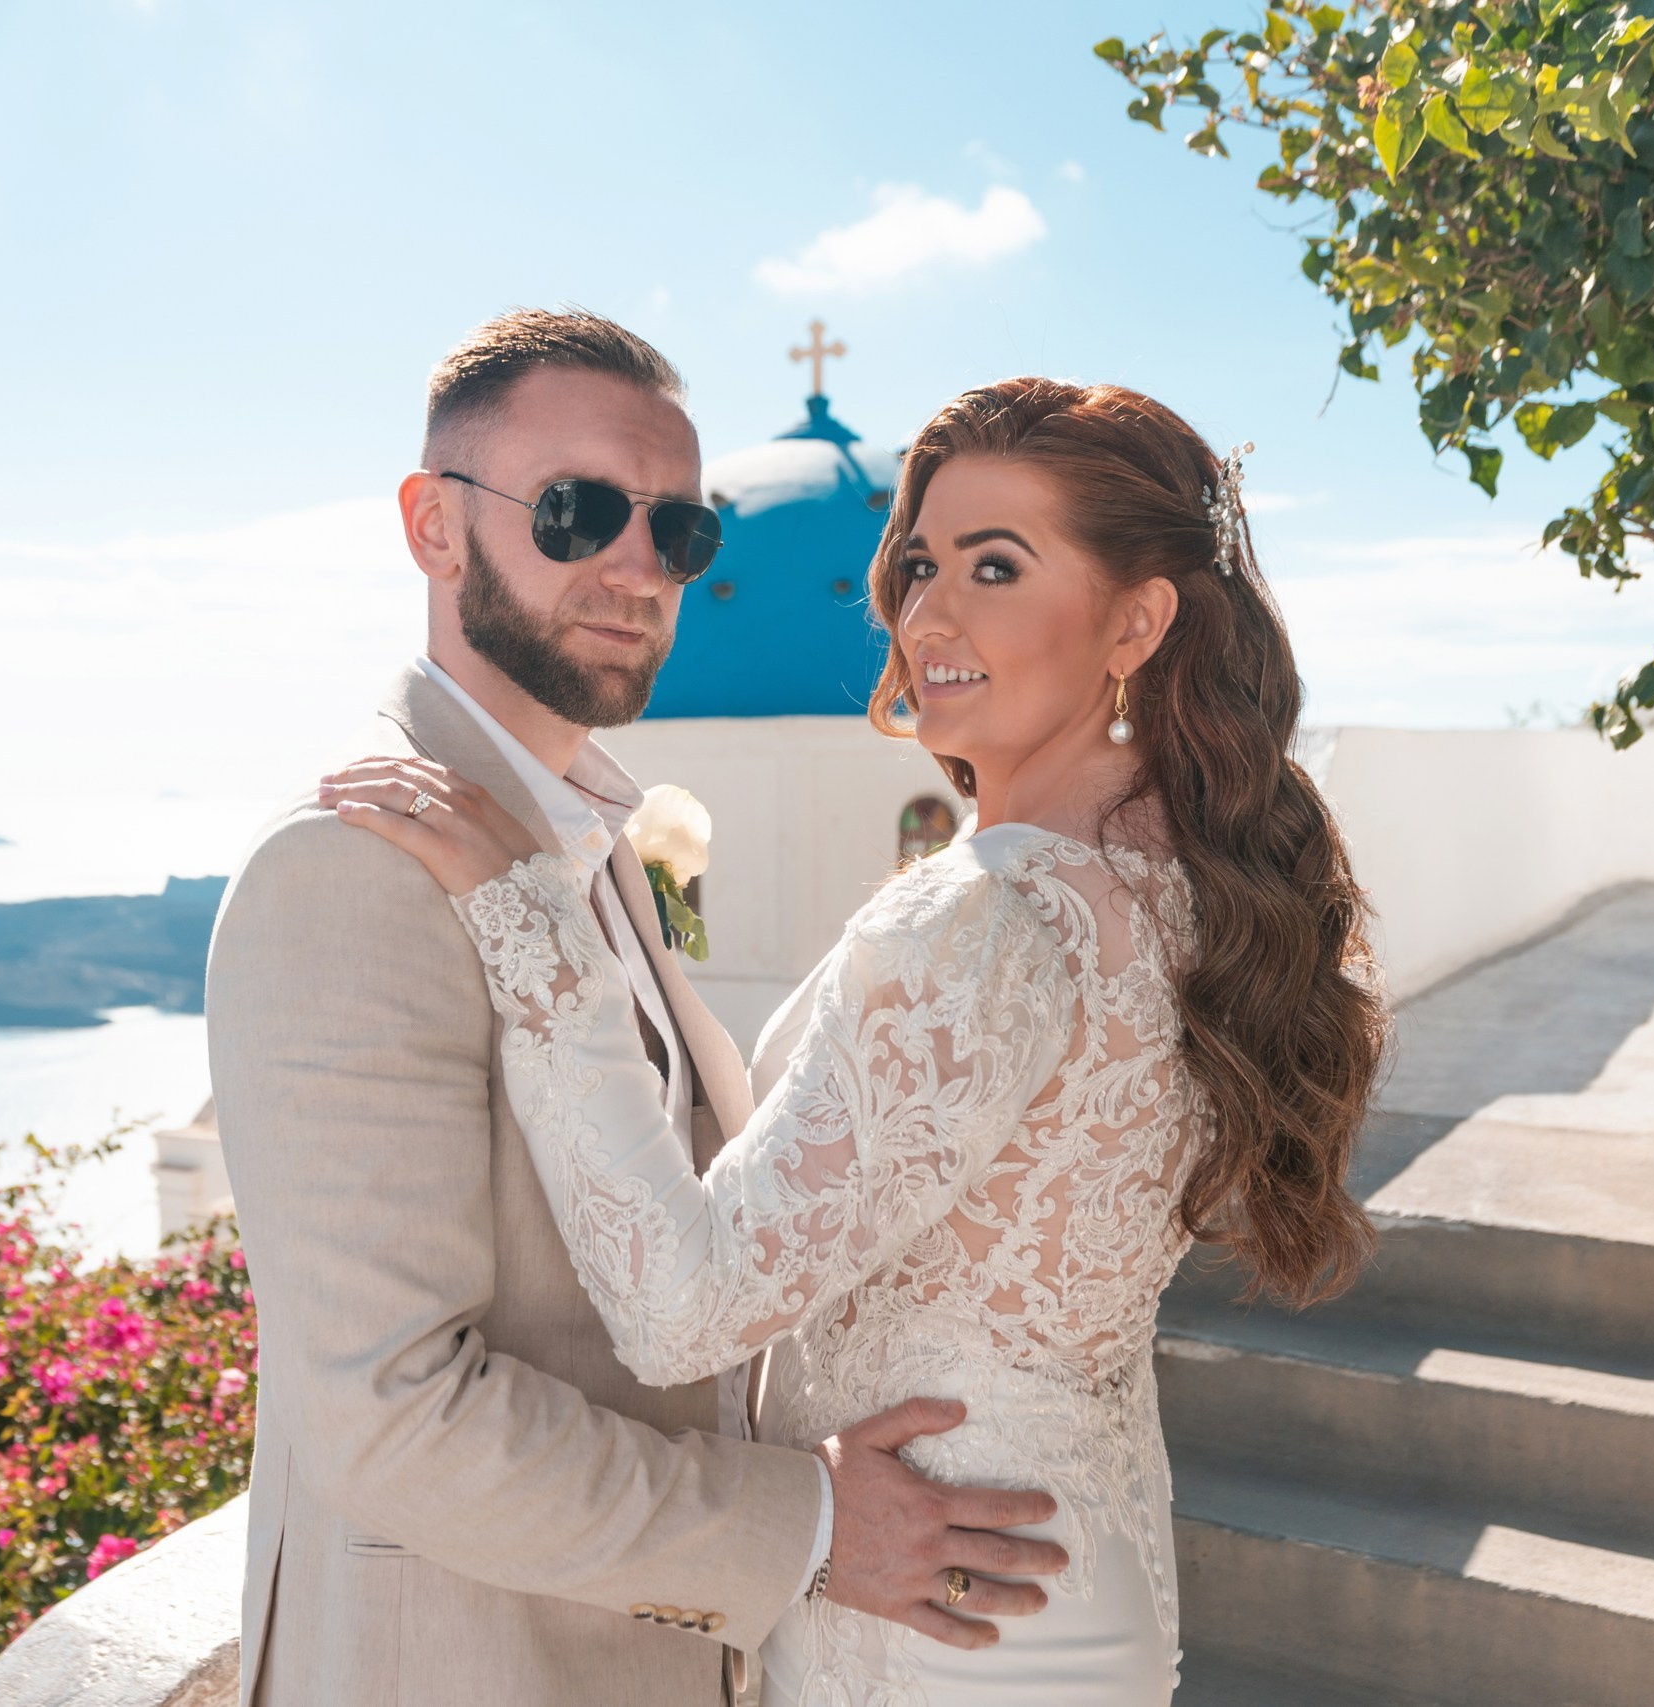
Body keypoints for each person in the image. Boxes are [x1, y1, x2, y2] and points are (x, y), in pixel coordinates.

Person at [327, 376, 1390, 1704]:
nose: (929, 614)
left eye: (997, 567)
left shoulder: (984, 916)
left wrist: (535, 926)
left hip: (934, 1622)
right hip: (1079, 1586)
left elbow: (681, 1310)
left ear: (1140, 618)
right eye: (921, 563)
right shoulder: (1193, 890)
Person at [206, 312, 1070, 1707]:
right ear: (433, 525)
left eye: (679, 532)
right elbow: (391, 1413)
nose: (636, 568)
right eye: (577, 512)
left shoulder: (585, 837)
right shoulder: (350, 868)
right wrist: (816, 1527)